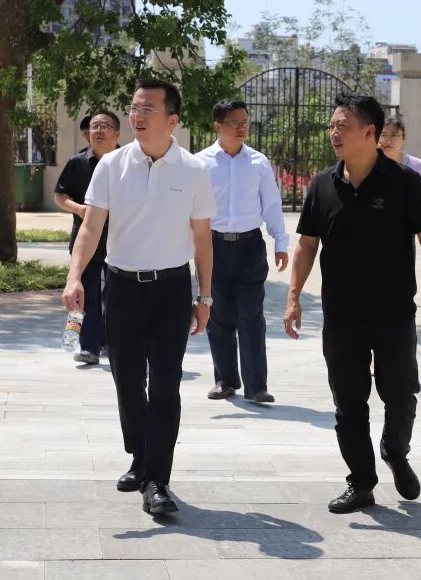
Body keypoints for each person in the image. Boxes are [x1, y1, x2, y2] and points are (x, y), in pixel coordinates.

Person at [284, 93, 421, 514]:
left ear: (369, 132)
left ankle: (395, 450)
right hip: (341, 316)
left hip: (394, 314)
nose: (334, 133)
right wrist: (293, 297)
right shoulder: (323, 185)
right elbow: (307, 245)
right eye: (332, 126)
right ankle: (360, 483)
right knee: (349, 404)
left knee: (401, 396)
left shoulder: (403, 182)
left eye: (343, 126)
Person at [62, 79, 215, 515]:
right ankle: (140, 455)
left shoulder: (194, 171)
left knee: (165, 384)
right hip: (121, 287)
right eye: (134, 108)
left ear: (172, 120)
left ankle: (157, 481)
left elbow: (202, 238)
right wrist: (75, 277)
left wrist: (205, 298)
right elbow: (91, 227)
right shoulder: (111, 165)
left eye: (149, 108)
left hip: (171, 290)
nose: (138, 116)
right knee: (127, 381)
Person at [195, 99, 289, 404]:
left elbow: (271, 205)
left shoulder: (258, 163)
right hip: (213, 247)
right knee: (219, 316)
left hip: (250, 247)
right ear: (217, 126)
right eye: (234, 123)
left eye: (245, 122)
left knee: (251, 315)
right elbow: (189, 209)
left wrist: (281, 242)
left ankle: (256, 386)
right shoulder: (200, 163)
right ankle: (225, 380)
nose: (241, 128)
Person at [53, 110, 121, 365]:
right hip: (86, 240)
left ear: (117, 133)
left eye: (105, 126)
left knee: (116, 297)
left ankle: (113, 344)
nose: (99, 131)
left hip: (121, 241)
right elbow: (60, 195)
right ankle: (89, 346)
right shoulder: (77, 162)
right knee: (87, 294)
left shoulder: (129, 162)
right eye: (95, 126)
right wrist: (79, 209)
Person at [378, 116, 421, 196]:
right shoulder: (368, 166)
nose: (388, 140)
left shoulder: (419, 166)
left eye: (394, 135)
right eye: (383, 135)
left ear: (403, 138)